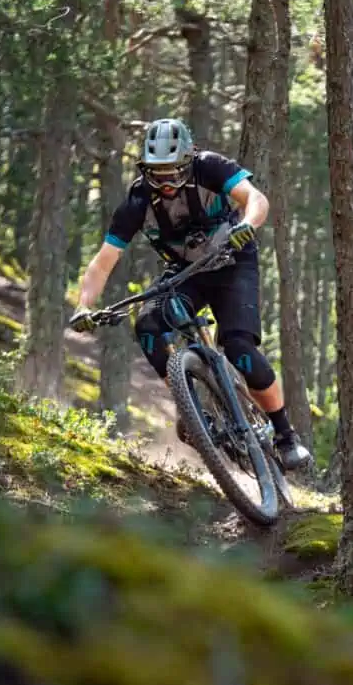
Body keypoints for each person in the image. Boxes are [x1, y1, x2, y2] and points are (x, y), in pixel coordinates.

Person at [68, 117, 312, 471]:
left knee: (239, 348)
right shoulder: (138, 199)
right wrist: (83, 306)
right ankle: (192, 407)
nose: (164, 182)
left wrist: (246, 225)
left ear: (188, 160)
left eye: (172, 172)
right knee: (148, 326)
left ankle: (285, 435)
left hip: (233, 261)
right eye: (156, 173)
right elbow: (104, 262)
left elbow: (255, 199)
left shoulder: (210, 167)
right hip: (185, 274)